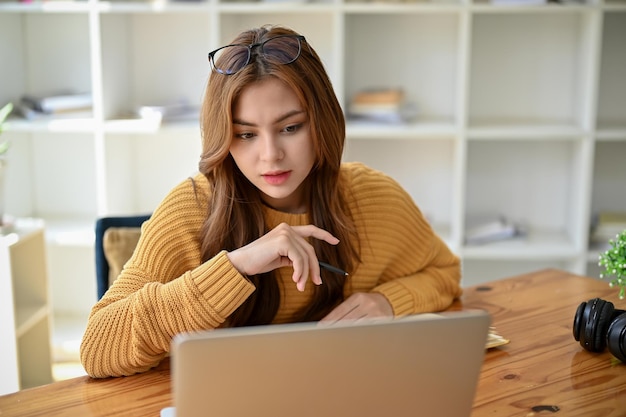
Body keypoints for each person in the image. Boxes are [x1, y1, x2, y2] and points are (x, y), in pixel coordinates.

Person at [80, 24, 462, 378]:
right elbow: (98, 346)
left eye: (290, 128)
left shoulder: (372, 195)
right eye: (246, 134)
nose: (270, 155)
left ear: (323, 123)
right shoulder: (190, 208)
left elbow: (445, 273)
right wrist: (237, 266)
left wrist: (388, 302)